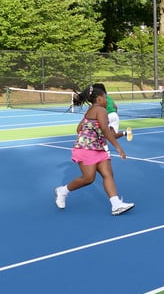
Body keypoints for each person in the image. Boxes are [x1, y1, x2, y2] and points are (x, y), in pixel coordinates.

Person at [54, 85, 135, 216]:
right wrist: (118, 147)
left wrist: (91, 131)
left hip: (98, 147)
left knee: (108, 174)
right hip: (86, 149)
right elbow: (105, 129)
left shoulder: (92, 111)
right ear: (98, 98)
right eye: (104, 97)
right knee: (88, 178)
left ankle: (116, 205)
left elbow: (79, 128)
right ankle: (62, 191)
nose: (107, 100)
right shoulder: (101, 110)